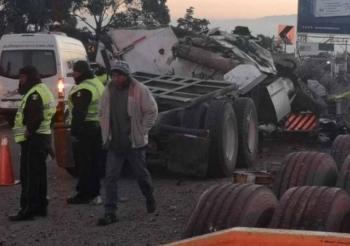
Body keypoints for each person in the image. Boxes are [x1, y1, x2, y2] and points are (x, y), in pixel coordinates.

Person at [97, 60, 158, 226]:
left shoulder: (139, 89)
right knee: (110, 178)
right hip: (114, 143)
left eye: (119, 75)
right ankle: (110, 212)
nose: (116, 78)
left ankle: (149, 198)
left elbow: (151, 111)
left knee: (141, 175)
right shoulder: (108, 90)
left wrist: (142, 131)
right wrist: (104, 130)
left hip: (134, 144)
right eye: (114, 75)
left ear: (126, 75)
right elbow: (101, 111)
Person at [10, 66, 56, 221]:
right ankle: (40, 207)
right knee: (39, 174)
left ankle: (27, 210)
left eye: (22, 78)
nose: (20, 81)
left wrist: (28, 133)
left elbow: (36, 117)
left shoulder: (35, 94)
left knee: (29, 175)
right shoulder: (42, 89)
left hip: (34, 139)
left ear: (29, 77)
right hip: (42, 137)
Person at [67, 60, 105, 205]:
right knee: (94, 162)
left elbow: (79, 112)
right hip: (96, 127)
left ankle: (84, 194)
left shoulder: (84, 88)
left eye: (75, 73)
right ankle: (94, 193)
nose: (74, 76)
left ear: (80, 72)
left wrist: (75, 133)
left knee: (84, 163)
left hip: (85, 129)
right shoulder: (96, 83)